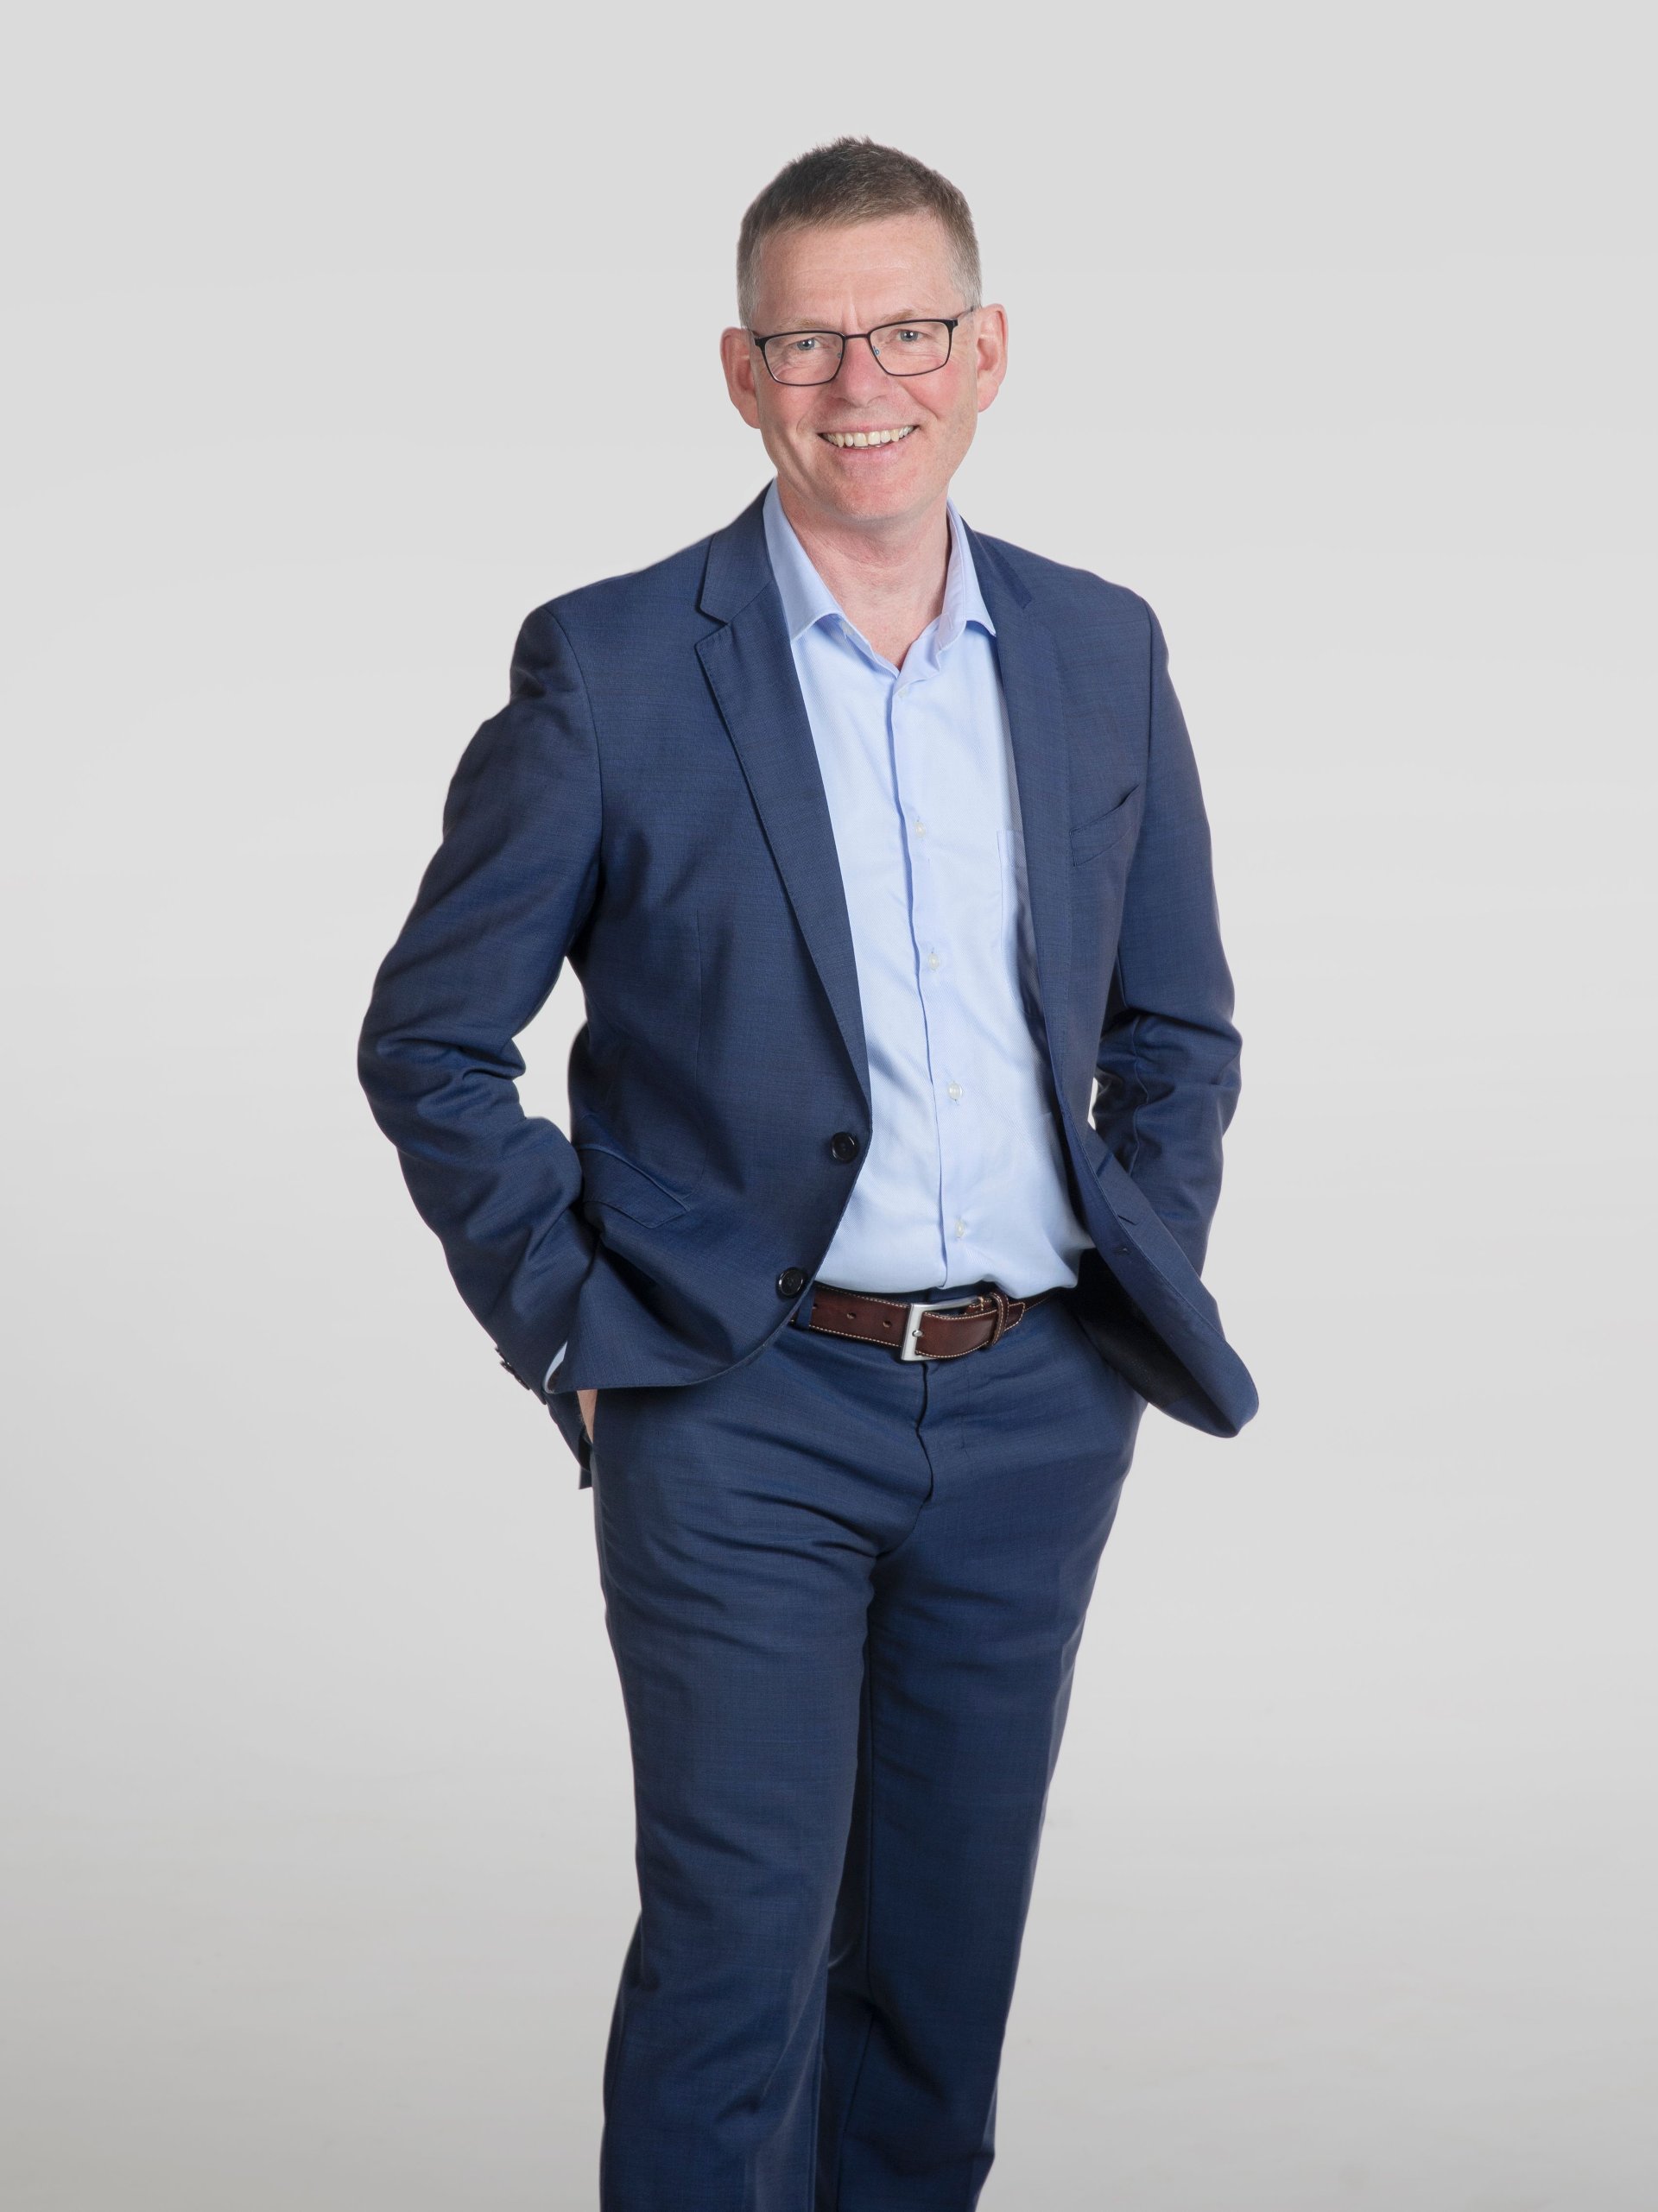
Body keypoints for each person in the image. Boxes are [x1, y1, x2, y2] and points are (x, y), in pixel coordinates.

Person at [359, 135, 1256, 2211]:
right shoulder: (612, 665)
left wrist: (1130, 1273)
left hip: (1036, 1405)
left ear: (988, 350)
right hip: (736, 1405)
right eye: (809, 341)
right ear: (741, 371)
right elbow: (432, 1040)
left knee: (942, 1970)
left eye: (910, 330)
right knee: (736, 1968)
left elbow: (1179, 1028)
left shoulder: (1099, 647)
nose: (866, 383)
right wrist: (581, 1332)